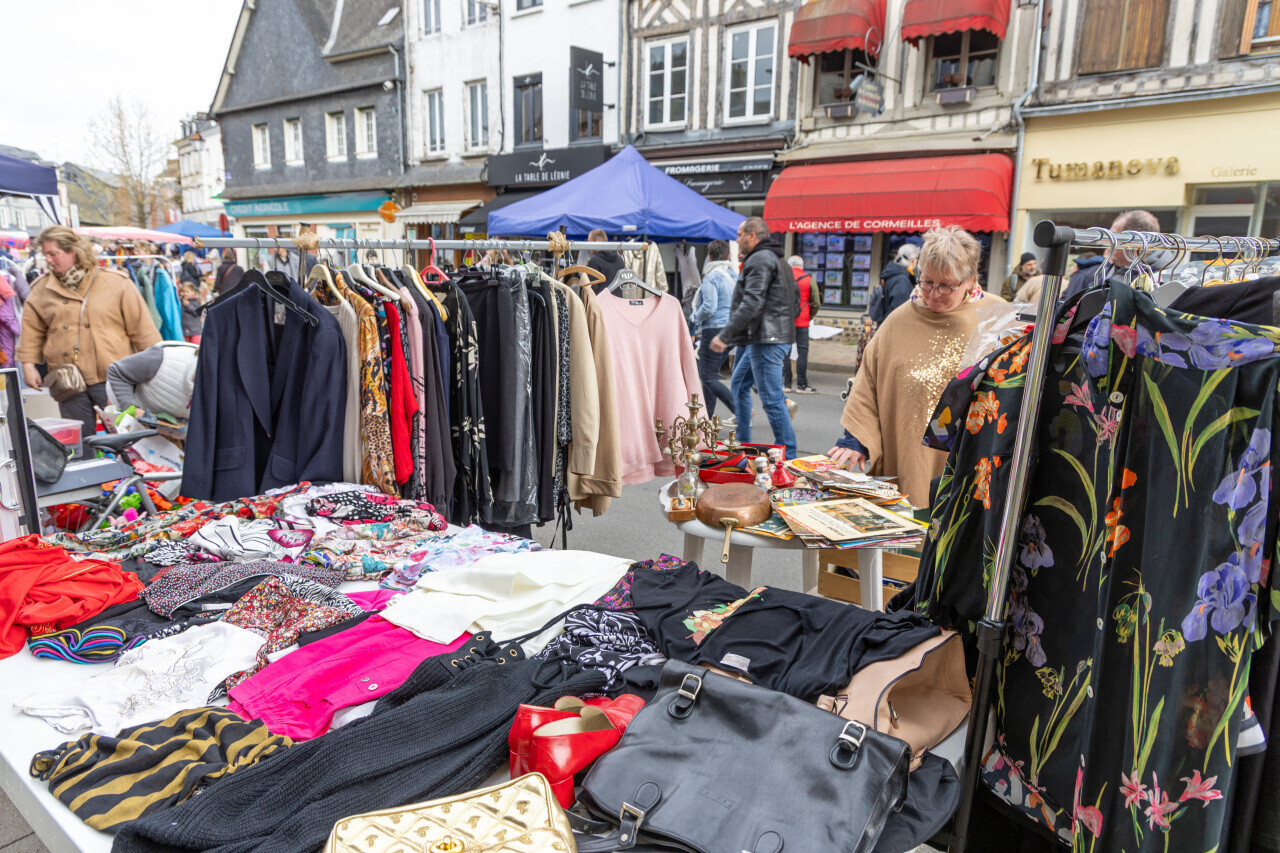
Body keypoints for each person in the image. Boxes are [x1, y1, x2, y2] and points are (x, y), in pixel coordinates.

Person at [828, 226, 1006, 508]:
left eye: (947, 286)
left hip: (973, 459)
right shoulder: (898, 321)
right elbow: (868, 383)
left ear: (971, 280)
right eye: (926, 282)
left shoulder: (999, 318)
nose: (934, 294)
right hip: (909, 453)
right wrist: (855, 440)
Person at [17, 226, 162, 439]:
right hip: (68, 381)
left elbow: (143, 329)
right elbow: (32, 330)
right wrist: (28, 366)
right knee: (78, 444)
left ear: (72, 252)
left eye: (53, 253)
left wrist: (156, 368)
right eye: (45, 254)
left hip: (113, 377)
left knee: (128, 438)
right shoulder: (41, 289)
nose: (47, 259)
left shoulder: (115, 282)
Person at [709, 217, 800, 459]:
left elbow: (752, 301)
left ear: (752, 236)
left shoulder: (760, 259)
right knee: (739, 383)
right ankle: (742, 443)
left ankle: (788, 455)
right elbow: (795, 302)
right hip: (765, 337)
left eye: (740, 235)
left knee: (771, 399)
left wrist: (725, 336)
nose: (736, 241)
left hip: (766, 339)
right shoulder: (778, 261)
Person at [1061, 209, 1172, 301]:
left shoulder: (1168, 279)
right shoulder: (1099, 271)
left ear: (1135, 243)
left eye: (1114, 238)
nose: (1108, 244)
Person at [691, 239, 738, 420]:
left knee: (707, 376)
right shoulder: (734, 275)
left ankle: (739, 411)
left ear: (709, 257)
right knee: (710, 376)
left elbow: (709, 306)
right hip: (731, 328)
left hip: (714, 328)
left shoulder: (712, 276)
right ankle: (707, 417)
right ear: (727, 256)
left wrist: (696, 317)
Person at [105, 342, 199, 421]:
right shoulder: (164, 359)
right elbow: (116, 371)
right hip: (126, 404)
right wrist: (130, 407)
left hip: (163, 423)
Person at [783, 255, 820, 394]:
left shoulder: (782, 278)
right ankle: (802, 385)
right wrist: (809, 316)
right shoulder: (809, 280)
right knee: (802, 352)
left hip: (786, 321)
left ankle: (786, 384)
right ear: (802, 265)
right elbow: (816, 302)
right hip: (802, 320)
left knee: (785, 352)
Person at [870, 243, 918, 324]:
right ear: (913, 260)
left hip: (886, 325)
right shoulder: (902, 280)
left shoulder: (893, 274)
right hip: (893, 329)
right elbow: (899, 313)